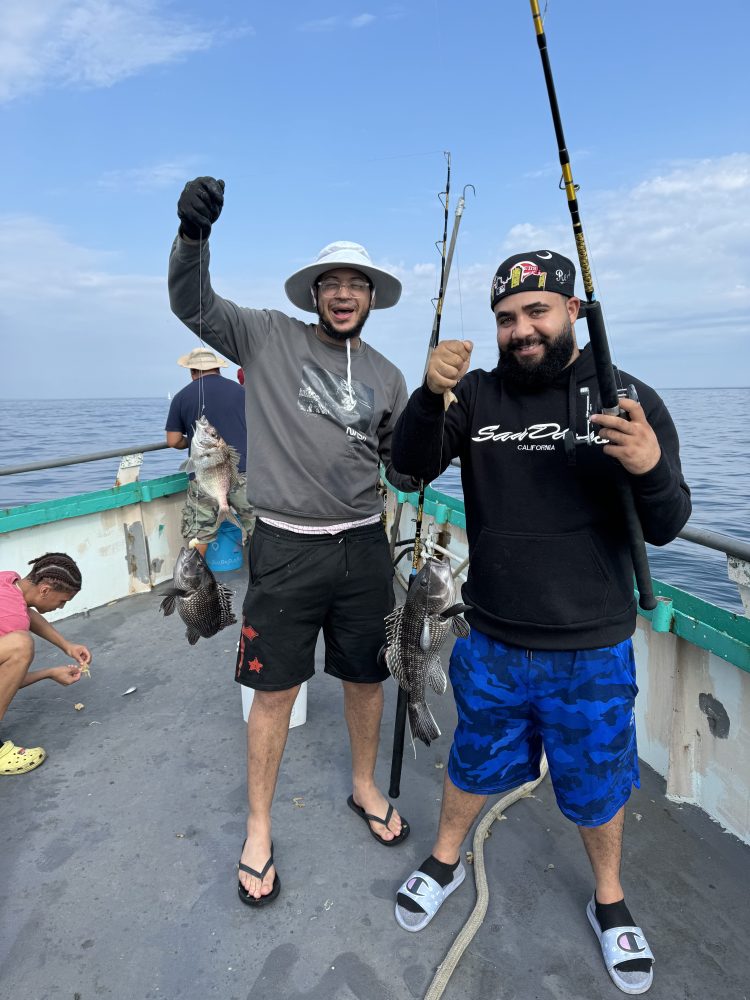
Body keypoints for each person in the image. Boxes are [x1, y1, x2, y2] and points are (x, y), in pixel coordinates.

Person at [390, 250, 691, 995]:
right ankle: (444, 859)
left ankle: (611, 900)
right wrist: (429, 397)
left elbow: (669, 523)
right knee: (470, 761)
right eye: (506, 318)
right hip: (489, 637)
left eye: (536, 312)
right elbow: (408, 469)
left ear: (573, 312)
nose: (520, 330)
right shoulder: (476, 395)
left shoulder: (627, 397)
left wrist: (649, 463)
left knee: (597, 786)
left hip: (590, 650)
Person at [168, 176, 419, 908]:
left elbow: (402, 464)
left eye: (357, 285)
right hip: (283, 544)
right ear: (315, 294)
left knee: (367, 677)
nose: (344, 294)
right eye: (331, 283)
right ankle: (257, 826)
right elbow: (193, 304)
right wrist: (192, 236)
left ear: (373, 297)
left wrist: (437, 419)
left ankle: (365, 786)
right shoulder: (267, 335)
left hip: (365, 545)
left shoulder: (388, 375)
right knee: (272, 691)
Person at [0, 552, 92, 775]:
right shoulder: (12, 619)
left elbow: (26, 612)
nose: (60, 608)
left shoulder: (8, 582)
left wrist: (66, 646)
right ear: (44, 590)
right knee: (21, 645)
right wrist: (48, 673)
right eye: (62, 601)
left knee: (18, 643)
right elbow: (6, 678)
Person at [165, 346, 255, 556]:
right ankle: (266, 580)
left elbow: (173, 440)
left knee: (200, 535)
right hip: (244, 472)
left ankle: (196, 584)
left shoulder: (181, 397)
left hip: (203, 477)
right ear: (218, 368)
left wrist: (193, 444)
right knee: (257, 527)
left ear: (192, 371)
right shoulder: (240, 391)